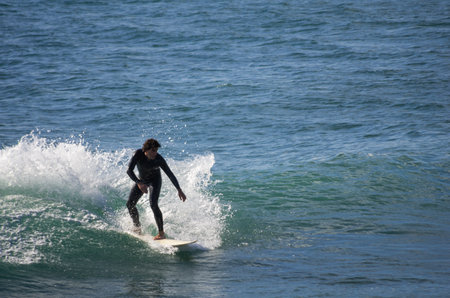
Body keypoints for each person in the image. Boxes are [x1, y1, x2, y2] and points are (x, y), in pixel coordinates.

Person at [126, 138, 186, 240]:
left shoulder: (159, 160)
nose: (155, 153)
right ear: (146, 150)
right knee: (130, 204)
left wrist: (179, 189)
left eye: (156, 150)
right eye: (153, 150)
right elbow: (129, 171)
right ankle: (137, 227)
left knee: (153, 204)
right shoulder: (138, 154)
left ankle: (161, 234)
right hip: (142, 180)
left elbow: (170, 174)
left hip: (155, 181)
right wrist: (139, 183)